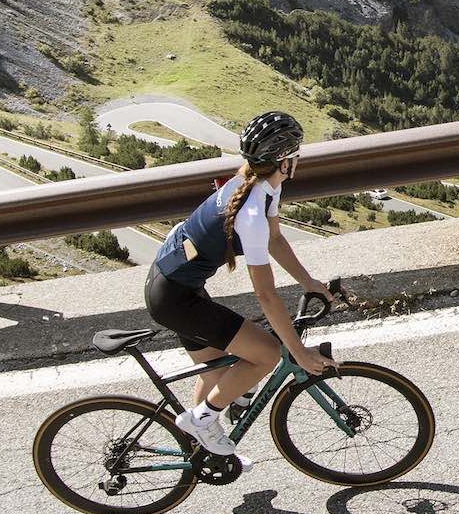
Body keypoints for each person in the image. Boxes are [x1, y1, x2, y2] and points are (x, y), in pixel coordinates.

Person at [145, 110, 339, 455]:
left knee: (217, 372)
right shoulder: (250, 212)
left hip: (175, 283)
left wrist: (308, 281)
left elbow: (275, 239)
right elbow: (265, 294)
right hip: (174, 297)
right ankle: (200, 421)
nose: (298, 161)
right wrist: (297, 351)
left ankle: (200, 453)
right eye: (296, 155)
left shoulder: (261, 186)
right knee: (266, 353)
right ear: (284, 161)